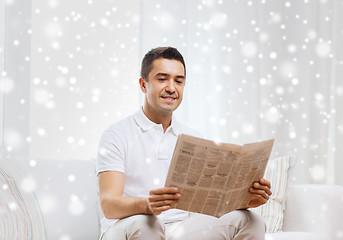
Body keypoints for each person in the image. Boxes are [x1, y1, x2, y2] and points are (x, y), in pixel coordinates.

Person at [96, 46, 272, 240]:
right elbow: (108, 205)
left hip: (177, 230)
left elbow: (207, 202)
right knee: (148, 222)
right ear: (143, 84)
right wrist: (147, 205)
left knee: (249, 220)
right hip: (126, 227)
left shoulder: (191, 137)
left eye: (178, 81)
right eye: (162, 79)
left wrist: (246, 199)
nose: (171, 88)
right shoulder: (116, 134)